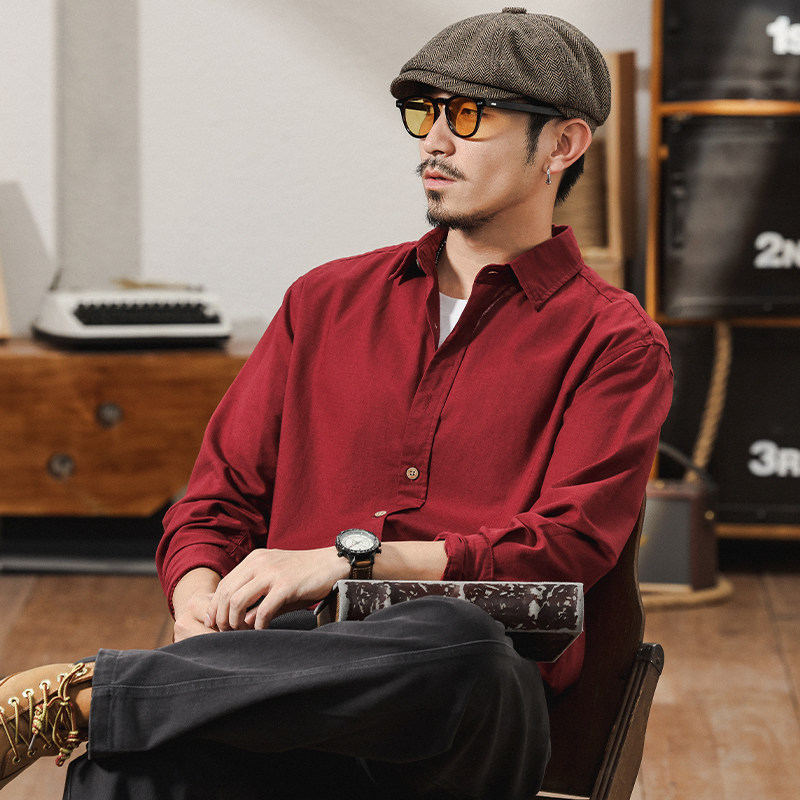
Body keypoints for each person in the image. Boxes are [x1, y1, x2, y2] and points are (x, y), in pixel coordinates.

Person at [0, 8, 672, 799]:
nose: (434, 141)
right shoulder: (323, 301)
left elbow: (564, 550)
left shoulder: (615, 342)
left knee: (467, 645)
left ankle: (88, 696)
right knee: (128, 766)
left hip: (459, 710)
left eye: (470, 116)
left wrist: (343, 562)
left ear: (562, 144)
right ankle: (126, 703)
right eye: (424, 112)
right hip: (276, 679)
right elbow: (215, 503)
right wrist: (196, 605)